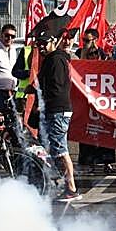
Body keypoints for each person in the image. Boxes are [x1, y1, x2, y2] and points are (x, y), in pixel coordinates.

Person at [35, 29, 80, 200]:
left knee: (61, 149)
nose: (41, 47)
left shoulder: (56, 60)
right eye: (39, 44)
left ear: (53, 42)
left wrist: (44, 103)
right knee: (56, 148)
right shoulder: (52, 59)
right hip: (55, 109)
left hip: (58, 110)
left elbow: (58, 87)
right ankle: (66, 185)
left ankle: (72, 188)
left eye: (44, 43)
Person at [75, 28, 115, 173]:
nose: (84, 43)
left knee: (106, 129)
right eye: (83, 40)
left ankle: (107, 162)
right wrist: (84, 54)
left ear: (95, 40)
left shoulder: (103, 55)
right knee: (86, 129)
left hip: (101, 97)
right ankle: (88, 162)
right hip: (85, 97)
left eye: (87, 40)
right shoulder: (80, 53)